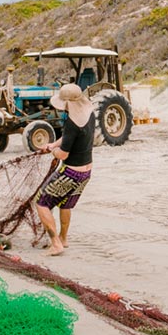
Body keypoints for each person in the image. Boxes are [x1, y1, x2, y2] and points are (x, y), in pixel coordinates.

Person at [36, 84, 95, 256]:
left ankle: (55, 244)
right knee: (65, 203)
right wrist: (53, 144)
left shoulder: (71, 123)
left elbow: (62, 155)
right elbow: (70, 138)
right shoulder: (88, 114)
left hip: (71, 172)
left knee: (41, 202)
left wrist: (52, 151)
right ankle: (63, 238)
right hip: (86, 172)